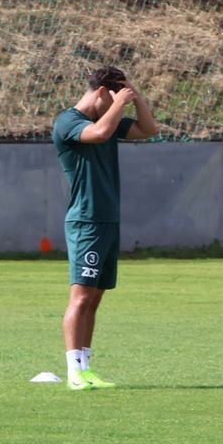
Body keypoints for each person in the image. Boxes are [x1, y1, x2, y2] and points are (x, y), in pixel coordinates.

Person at [51, 65, 157, 390]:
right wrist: (118, 105)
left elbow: (148, 130)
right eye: (113, 98)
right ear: (101, 93)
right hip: (86, 220)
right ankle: (72, 372)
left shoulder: (106, 121)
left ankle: (85, 367)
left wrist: (135, 98)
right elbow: (97, 135)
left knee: (95, 297)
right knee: (80, 297)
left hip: (108, 220)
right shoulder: (69, 122)